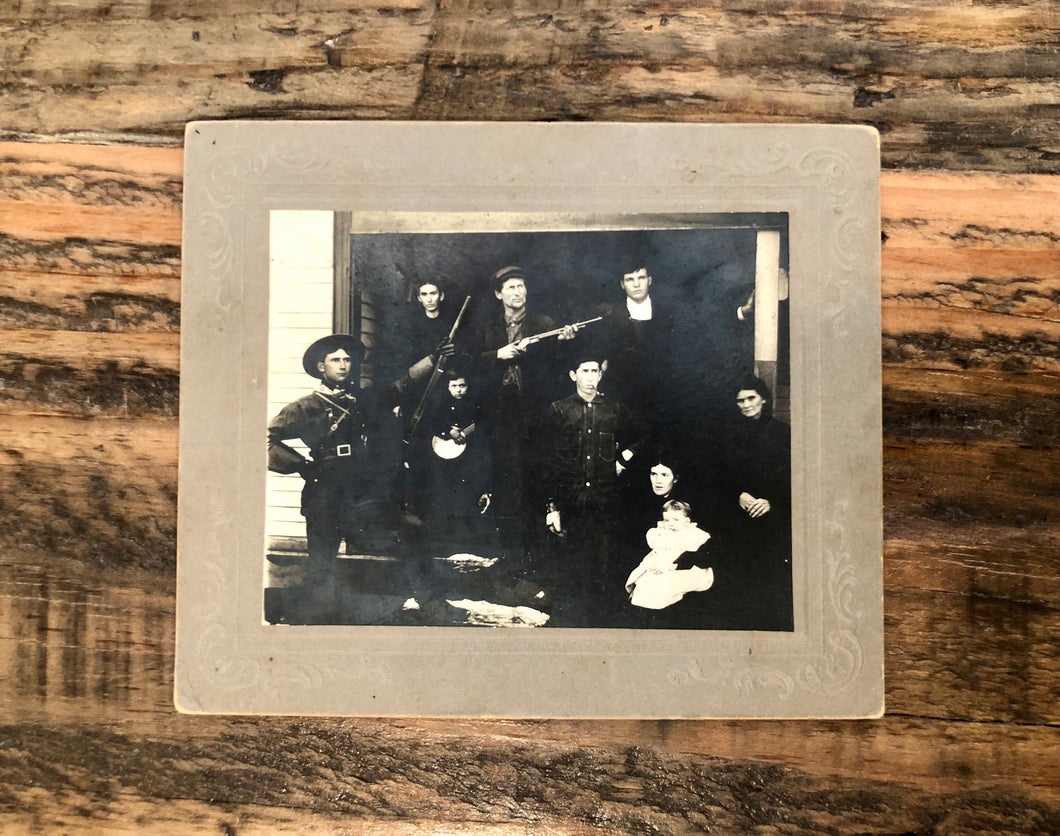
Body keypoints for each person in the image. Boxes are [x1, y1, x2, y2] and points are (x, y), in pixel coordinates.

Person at [266, 333, 453, 623]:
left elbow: (402, 385)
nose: (343, 365)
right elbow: (265, 439)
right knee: (321, 565)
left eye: (347, 359)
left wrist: (433, 357)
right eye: (335, 360)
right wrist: (302, 465)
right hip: (325, 494)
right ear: (320, 367)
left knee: (413, 529)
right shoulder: (304, 408)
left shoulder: (365, 399)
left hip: (364, 495)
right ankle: (316, 621)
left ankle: (433, 605)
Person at [475, 265, 573, 565]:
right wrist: (498, 356)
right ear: (498, 294)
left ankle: (534, 552)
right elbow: (470, 364)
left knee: (534, 476)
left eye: (521, 286)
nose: (517, 292)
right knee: (505, 478)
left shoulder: (544, 323)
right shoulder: (486, 326)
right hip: (500, 413)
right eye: (510, 288)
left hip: (534, 413)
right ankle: (509, 549)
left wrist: (566, 342)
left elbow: (558, 369)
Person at [544, 348, 645, 625]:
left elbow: (642, 435)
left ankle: (601, 621)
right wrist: (552, 506)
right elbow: (548, 462)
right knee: (570, 563)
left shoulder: (613, 409)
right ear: (573, 375)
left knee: (603, 561)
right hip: (571, 499)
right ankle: (569, 621)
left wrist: (624, 457)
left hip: (605, 498)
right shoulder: (559, 410)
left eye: (595, 372)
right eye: (585, 371)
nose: (591, 378)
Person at [724, 374, 793, 631]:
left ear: (763, 399)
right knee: (740, 576)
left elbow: (794, 476)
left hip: (772, 517)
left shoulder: (783, 433)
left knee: (770, 578)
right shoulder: (729, 436)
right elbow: (720, 475)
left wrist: (771, 501)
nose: (746, 404)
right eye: (740, 400)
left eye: (751, 398)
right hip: (738, 517)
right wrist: (737, 495)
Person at [422, 369, 493, 555]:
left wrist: (466, 432)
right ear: (447, 387)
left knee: (467, 493)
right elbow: (432, 423)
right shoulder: (440, 404)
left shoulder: (475, 404)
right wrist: (448, 431)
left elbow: (483, 424)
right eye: (454, 386)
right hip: (445, 456)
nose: (458, 390)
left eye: (462, 385)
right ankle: (444, 539)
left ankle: (466, 540)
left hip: (468, 457)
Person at [596, 264, 675, 428]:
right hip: (624, 395)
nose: (637, 284)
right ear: (622, 284)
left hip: (664, 394)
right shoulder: (609, 316)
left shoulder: (667, 312)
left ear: (650, 280)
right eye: (630, 279)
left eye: (641, 278)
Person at [624, 500, 714, 613]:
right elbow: (654, 542)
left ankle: (653, 608)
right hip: (661, 561)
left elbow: (687, 556)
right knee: (644, 577)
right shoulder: (663, 532)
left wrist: (665, 566)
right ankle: (640, 605)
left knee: (662, 583)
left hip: (683, 566)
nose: (670, 523)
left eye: (676, 520)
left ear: (686, 521)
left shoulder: (692, 534)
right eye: (666, 520)